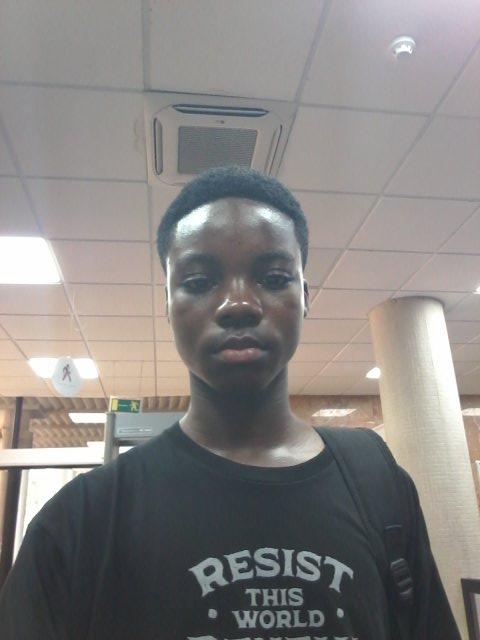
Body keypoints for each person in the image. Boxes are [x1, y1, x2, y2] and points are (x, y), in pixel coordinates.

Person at [0, 166, 460, 639]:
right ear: (168, 304)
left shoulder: (379, 483)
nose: (238, 304)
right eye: (200, 282)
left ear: (304, 297)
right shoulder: (82, 521)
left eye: (273, 277)